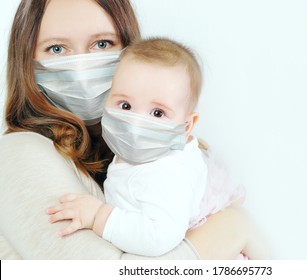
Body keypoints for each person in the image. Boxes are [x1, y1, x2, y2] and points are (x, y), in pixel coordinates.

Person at [0, 0, 268, 259]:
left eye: (102, 43)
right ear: (26, 60)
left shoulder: (138, 155)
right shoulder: (18, 154)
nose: (81, 68)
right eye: (57, 49)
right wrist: (233, 227)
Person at [46, 38, 257, 258]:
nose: (135, 123)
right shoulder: (141, 153)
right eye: (125, 106)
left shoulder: (168, 173)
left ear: (186, 126)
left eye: (157, 113)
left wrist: (99, 216)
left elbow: (159, 237)